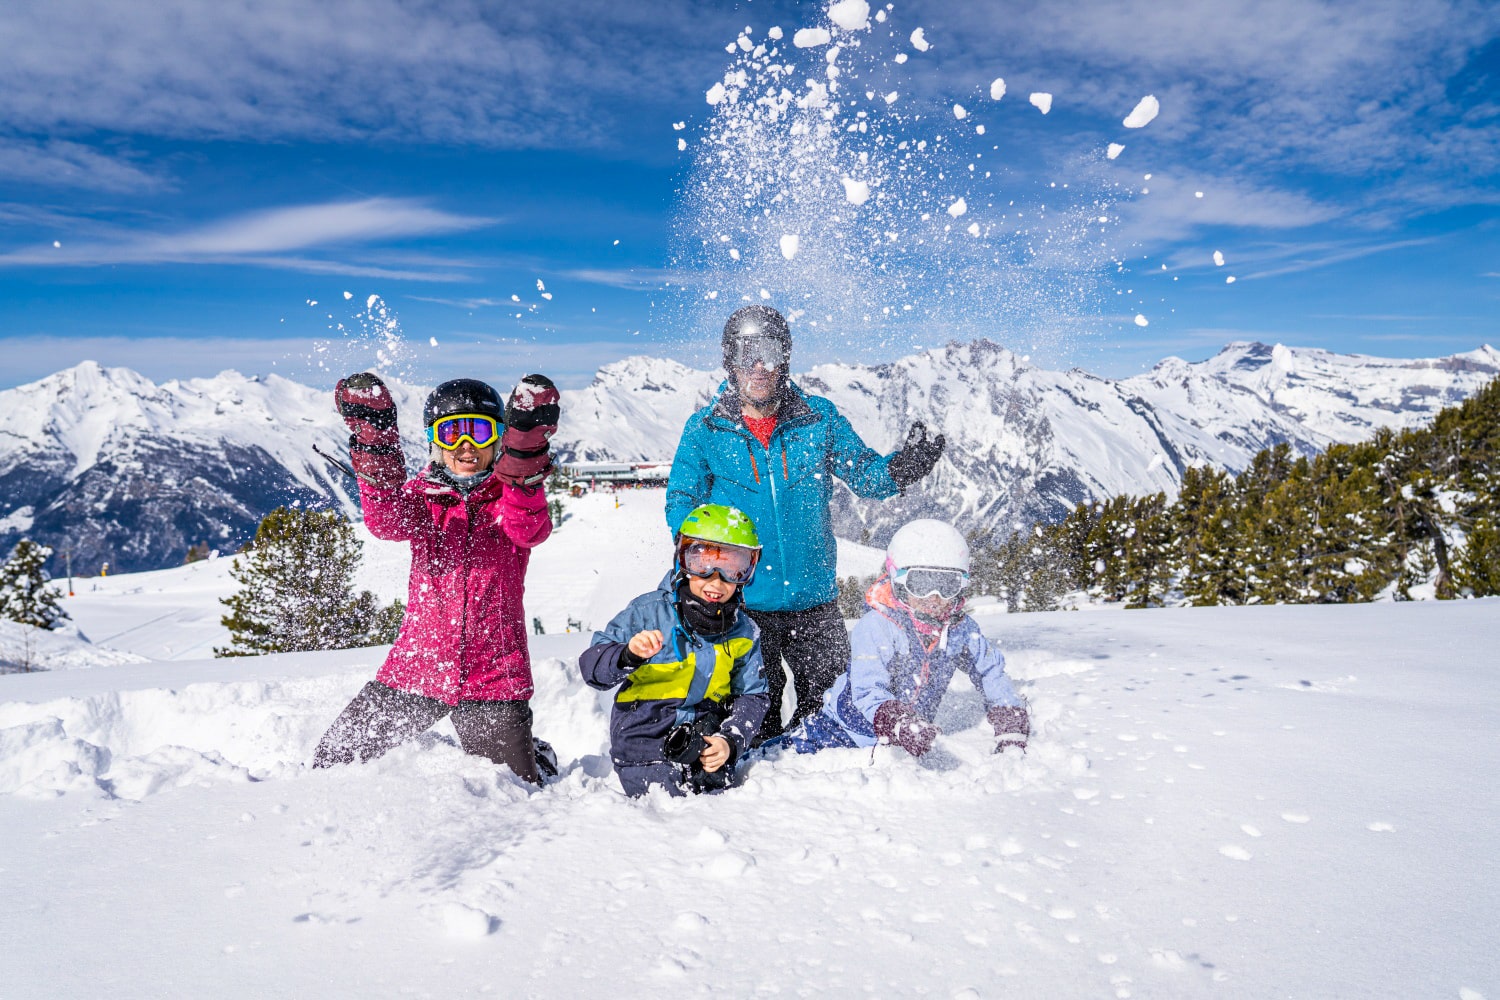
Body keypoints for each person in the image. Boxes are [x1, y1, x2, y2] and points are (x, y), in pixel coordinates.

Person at [665, 304, 946, 742]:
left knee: (833, 717)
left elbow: (865, 473)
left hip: (814, 602)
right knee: (753, 725)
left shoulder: (818, 419)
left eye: (770, 351)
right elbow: (682, 502)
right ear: (729, 360)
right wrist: (702, 561)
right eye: (747, 353)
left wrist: (901, 470)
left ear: (786, 358)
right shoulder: (705, 430)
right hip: (743, 606)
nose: (759, 365)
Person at [312, 371, 561, 785]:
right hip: (419, 666)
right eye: (452, 433)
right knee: (333, 762)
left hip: (493, 676)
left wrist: (524, 461)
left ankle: (535, 754)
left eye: (480, 432)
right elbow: (385, 520)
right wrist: (376, 444)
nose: (466, 446)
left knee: (518, 790)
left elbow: (528, 529)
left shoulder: (510, 498)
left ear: (500, 439)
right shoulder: (421, 497)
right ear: (434, 440)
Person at [771, 519, 1030, 759]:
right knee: (772, 760)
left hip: (907, 736)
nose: (934, 596)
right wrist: (898, 722)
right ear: (899, 579)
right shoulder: (877, 626)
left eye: (947, 585)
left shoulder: (959, 629)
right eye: (922, 583)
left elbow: (989, 671)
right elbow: (868, 689)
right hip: (842, 730)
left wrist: (1008, 715)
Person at [579, 504, 769, 797]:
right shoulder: (648, 613)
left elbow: (753, 695)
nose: (716, 581)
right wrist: (627, 655)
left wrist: (730, 740)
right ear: (683, 560)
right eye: (702, 563)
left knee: (726, 809)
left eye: (733, 568)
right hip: (644, 743)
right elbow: (593, 670)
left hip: (704, 742)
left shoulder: (743, 631)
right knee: (671, 811)